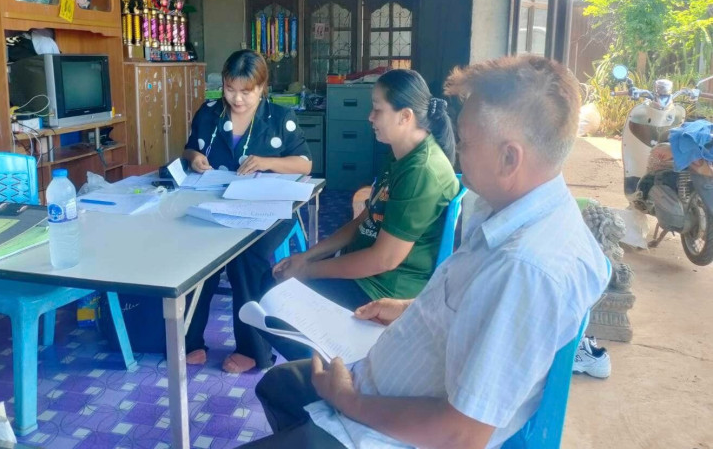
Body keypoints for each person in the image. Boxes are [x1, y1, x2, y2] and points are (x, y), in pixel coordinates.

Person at [244, 55, 610, 449]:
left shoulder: (525, 268)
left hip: (379, 433)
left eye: (466, 142)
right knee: (278, 384)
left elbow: (461, 434)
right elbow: (474, 304)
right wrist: (409, 308)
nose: (457, 152)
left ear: (510, 158)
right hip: (386, 378)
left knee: (289, 379)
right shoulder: (516, 214)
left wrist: (347, 400)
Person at [262, 68, 459, 362]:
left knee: (270, 301)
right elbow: (364, 221)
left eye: (378, 109)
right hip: (369, 276)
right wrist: (307, 257)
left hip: (382, 290)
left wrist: (308, 271)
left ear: (405, 116)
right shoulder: (402, 155)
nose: (370, 117)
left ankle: (333, 368)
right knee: (271, 282)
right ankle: (323, 366)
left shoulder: (421, 171)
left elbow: (383, 259)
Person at [181, 50, 312, 372]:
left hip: (268, 208)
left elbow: (304, 164)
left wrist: (267, 162)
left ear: (262, 87)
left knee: (246, 258)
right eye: (230, 89)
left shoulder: (280, 118)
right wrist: (193, 158)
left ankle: (254, 350)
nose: (236, 99)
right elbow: (190, 148)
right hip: (215, 204)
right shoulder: (209, 113)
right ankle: (189, 341)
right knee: (196, 253)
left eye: (246, 91)